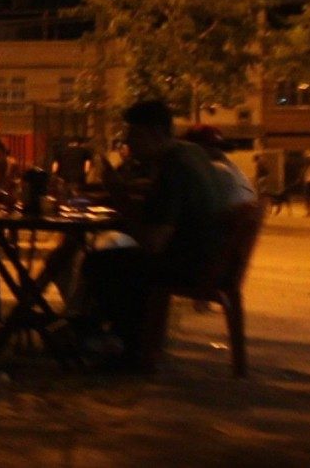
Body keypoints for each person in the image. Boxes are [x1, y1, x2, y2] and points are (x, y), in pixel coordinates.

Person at [81, 100, 225, 372]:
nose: (129, 142)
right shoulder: (190, 152)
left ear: (155, 133)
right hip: (208, 255)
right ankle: (120, 340)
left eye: (133, 134)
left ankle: (128, 347)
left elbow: (153, 242)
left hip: (188, 263)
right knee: (114, 256)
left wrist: (120, 197)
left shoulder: (174, 167)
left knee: (101, 264)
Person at [183, 125, 256, 213]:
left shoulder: (216, 170)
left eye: (217, 147)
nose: (217, 151)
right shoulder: (231, 169)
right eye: (214, 146)